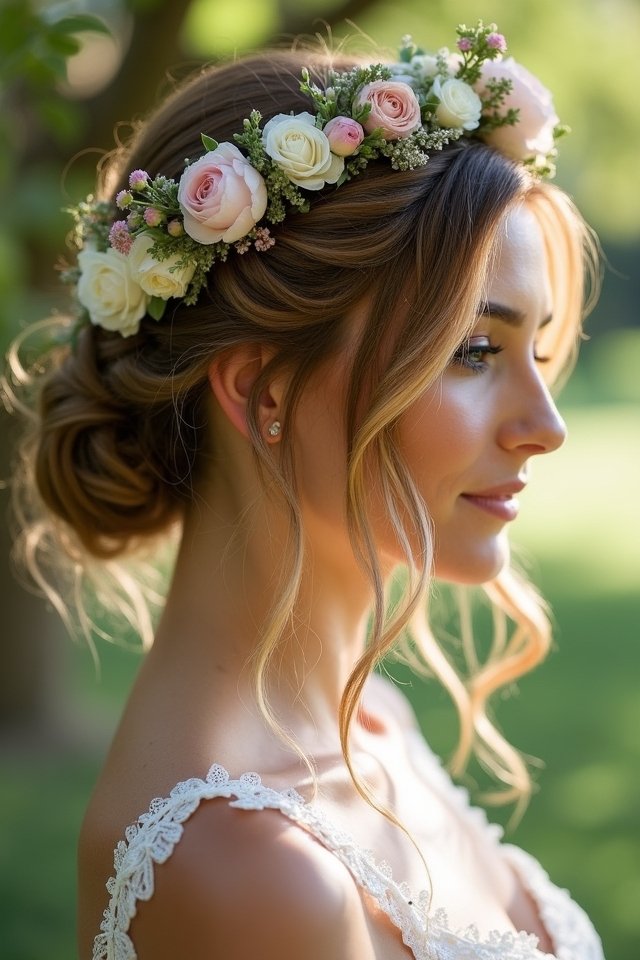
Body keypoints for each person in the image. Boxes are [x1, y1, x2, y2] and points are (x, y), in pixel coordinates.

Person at [5, 22, 603, 960]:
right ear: (265, 392)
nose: (547, 424)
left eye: (539, 347)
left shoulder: (371, 723)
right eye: (475, 351)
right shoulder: (249, 875)